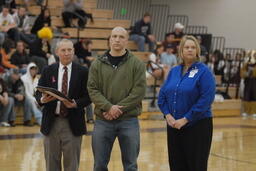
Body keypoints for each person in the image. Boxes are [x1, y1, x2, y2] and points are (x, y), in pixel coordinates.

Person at [88, 26, 146, 171]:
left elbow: (138, 92)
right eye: (114, 36)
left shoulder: (137, 64)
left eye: (121, 37)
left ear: (127, 41)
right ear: (109, 40)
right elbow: (92, 90)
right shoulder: (97, 64)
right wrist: (109, 107)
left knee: (131, 166)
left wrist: (116, 109)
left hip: (129, 120)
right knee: (99, 165)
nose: (117, 40)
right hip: (103, 120)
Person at [158, 35, 215, 171]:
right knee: (176, 165)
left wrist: (186, 119)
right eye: (187, 47)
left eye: (193, 47)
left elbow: (206, 99)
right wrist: (167, 115)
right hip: (174, 126)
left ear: (197, 51)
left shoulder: (204, 72)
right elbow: (162, 95)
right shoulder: (174, 71)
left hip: (197, 126)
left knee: (195, 166)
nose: (190, 50)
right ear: (181, 51)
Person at [35, 39, 91, 171]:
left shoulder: (83, 71)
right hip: (51, 122)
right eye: (63, 50)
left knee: (72, 165)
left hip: (73, 123)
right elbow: (38, 92)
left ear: (74, 51)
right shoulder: (48, 70)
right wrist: (43, 100)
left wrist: (76, 103)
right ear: (57, 52)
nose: (67, 53)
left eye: (69, 50)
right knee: (51, 164)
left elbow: (89, 96)